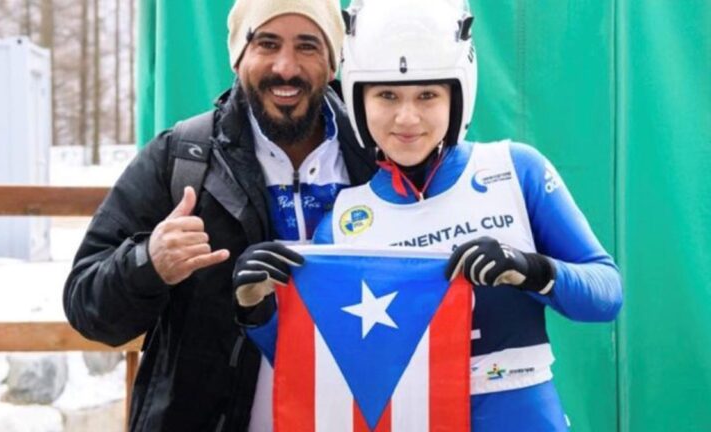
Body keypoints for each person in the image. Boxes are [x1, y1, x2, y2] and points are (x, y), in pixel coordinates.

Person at [232, 0, 623, 430]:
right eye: (386, 95)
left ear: (458, 94)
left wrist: (529, 270)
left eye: (427, 95)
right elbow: (314, 363)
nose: (407, 117)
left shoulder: (514, 170)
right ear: (358, 99)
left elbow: (606, 294)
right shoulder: (346, 215)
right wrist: (256, 308)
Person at [62, 0, 376, 429]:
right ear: (238, 56)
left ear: (333, 62)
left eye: (307, 46)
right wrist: (148, 263)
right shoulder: (182, 158)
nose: (286, 67)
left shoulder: (377, 158)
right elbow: (86, 304)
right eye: (267, 43)